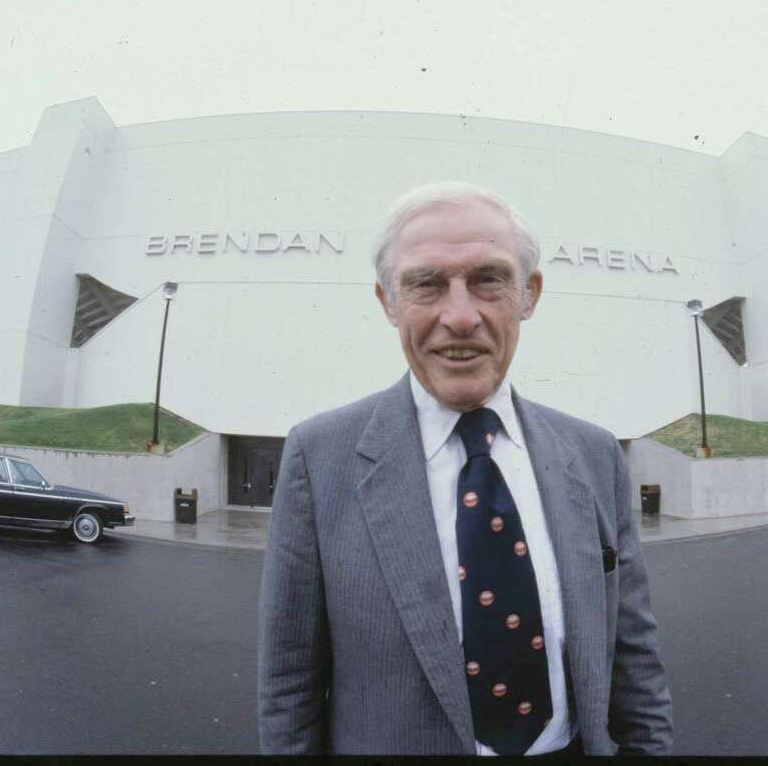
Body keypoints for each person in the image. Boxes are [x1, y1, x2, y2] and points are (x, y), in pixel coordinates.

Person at [257, 181, 673, 755]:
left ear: (529, 294)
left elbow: (636, 663)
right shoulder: (318, 457)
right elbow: (288, 688)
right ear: (388, 302)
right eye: (426, 283)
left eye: (488, 280)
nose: (460, 316)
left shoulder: (595, 453)